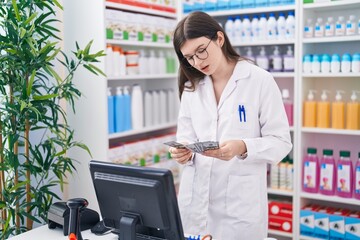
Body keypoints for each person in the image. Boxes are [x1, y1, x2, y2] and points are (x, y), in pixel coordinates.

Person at [168, 11, 292, 240]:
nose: (197, 62)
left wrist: (242, 147)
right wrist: (181, 151)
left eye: (201, 51)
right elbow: (185, 136)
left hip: (239, 211)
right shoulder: (192, 87)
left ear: (220, 39)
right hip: (194, 205)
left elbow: (282, 142)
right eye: (189, 58)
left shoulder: (259, 80)